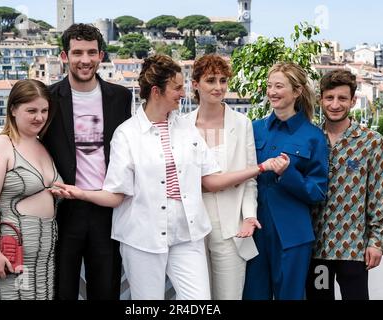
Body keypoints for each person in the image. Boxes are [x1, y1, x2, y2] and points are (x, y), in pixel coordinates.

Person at [51, 54, 289, 300]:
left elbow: (210, 180)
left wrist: (262, 168)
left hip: (188, 236)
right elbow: (116, 195)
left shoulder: (187, 128)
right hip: (143, 239)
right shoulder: (127, 134)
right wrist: (81, 193)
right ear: (156, 91)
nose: (183, 93)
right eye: (176, 88)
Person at [0, 23, 132, 300]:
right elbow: (20, 132)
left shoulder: (120, 97)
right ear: (64, 56)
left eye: (92, 52)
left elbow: (132, 145)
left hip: (106, 210)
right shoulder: (49, 98)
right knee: (60, 291)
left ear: (101, 56)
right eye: (77, 52)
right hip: (61, 213)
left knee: (106, 290)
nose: (85, 60)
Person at [0, 79, 62, 300]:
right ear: (13, 110)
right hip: (6, 252)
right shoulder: (0, 145)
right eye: (31, 110)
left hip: (37, 257)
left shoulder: (42, 145)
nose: (39, 117)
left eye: (44, 110)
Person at [242, 62, 329, 300]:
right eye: (269, 86)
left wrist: (287, 175)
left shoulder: (314, 136)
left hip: (293, 236)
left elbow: (318, 191)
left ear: (297, 91)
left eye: (279, 86)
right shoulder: (253, 129)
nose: (272, 91)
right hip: (254, 232)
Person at [306, 70, 383, 300]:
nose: (335, 104)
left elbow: (380, 195)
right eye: (329, 98)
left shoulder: (372, 142)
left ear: (353, 101)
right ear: (320, 99)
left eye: (342, 98)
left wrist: (375, 242)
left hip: (354, 249)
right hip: (317, 249)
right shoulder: (309, 138)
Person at [184, 54, 259, 299]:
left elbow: (250, 178)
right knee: (197, 300)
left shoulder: (242, 123)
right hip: (190, 227)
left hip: (231, 227)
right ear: (195, 84)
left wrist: (249, 216)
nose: (219, 87)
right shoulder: (182, 125)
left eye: (223, 80)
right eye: (211, 80)